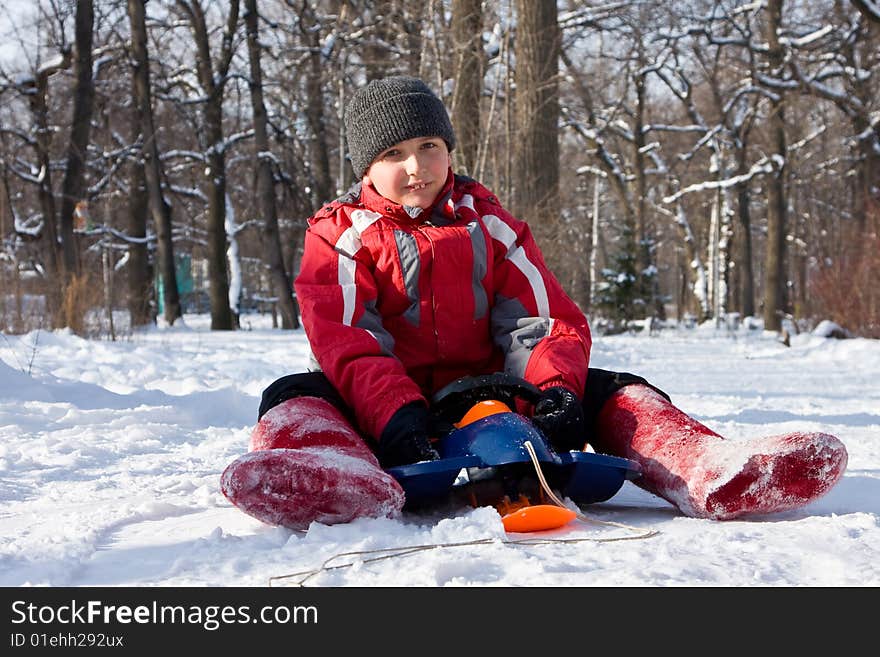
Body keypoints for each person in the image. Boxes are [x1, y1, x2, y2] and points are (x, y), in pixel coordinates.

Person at [221, 76, 847, 530]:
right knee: (292, 393)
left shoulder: (488, 225)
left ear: (450, 149)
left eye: (429, 147)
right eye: (393, 154)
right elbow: (350, 340)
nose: (416, 166)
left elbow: (541, 319)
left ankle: (704, 466)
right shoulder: (338, 235)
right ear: (366, 166)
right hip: (389, 414)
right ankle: (333, 474)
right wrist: (397, 420)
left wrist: (556, 395)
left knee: (616, 388)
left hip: (497, 397)